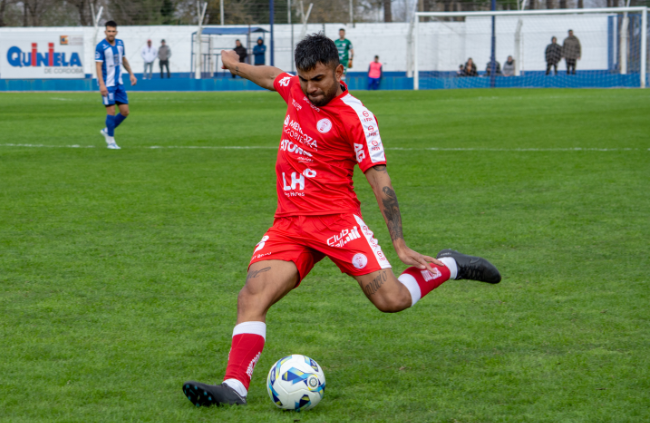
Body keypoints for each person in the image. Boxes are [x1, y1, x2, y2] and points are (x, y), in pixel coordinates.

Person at [182, 33, 502, 407]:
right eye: (304, 79)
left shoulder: (357, 117)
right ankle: (234, 389)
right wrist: (235, 65)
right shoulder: (297, 89)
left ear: (339, 71)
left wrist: (398, 242)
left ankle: (449, 265)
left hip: (337, 223)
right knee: (251, 295)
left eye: (318, 79)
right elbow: (274, 77)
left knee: (391, 300)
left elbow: (380, 179)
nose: (310, 88)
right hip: (290, 223)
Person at [96, 20, 137, 150]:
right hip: (107, 84)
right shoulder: (100, 46)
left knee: (125, 112)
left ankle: (107, 130)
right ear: (105, 32)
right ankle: (111, 142)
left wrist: (131, 73)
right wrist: (102, 85)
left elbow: (123, 59)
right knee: (111, 111)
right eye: (109, 31)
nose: (111, 33)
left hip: (119, 83)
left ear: (116, 32)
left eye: (113, 31)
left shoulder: (120, 43)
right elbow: (98, 66)